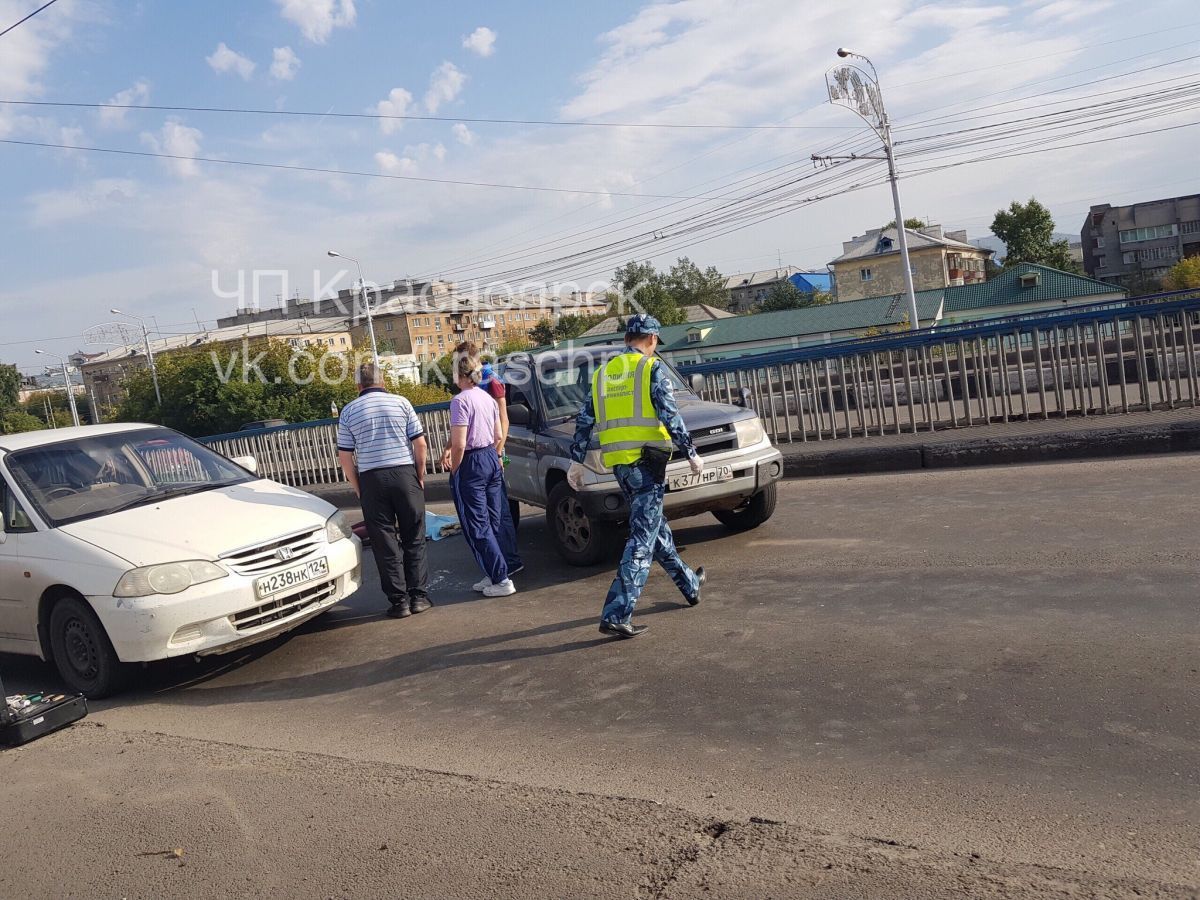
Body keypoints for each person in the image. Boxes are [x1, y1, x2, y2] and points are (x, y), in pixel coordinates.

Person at [568, 314, 706, 639]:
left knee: (654, 528)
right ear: (653, 340)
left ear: (628, 337)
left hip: (620, 466)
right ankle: (617, 612)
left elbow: (585, 419)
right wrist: (690, 451)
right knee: (642, 538)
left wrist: (576, 460)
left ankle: (689, 584)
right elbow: (669, 413)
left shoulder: (603, 373)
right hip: (646, 464)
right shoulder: (651, 367)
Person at [337, 362, 430, 619]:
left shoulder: (349, 411)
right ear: (383, 381)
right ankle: (419, 597)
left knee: (384, 542)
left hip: (371, 480)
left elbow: (345, 456)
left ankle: (399, 602)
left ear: (359, 385)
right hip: (404, 475)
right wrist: (418, 476)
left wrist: (359, 488)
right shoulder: (402, 403)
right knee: (414, 536)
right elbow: (420, 444)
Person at [443, 352, 523, 579]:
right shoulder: (487, 398)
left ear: (460, 375)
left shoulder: (460, 401)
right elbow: (498, 434)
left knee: (477, 524)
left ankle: (498, 577)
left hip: (472, 461)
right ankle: (501, 569)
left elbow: (459, 443)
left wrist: (456, 470)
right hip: (491, 456)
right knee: (495, 519)